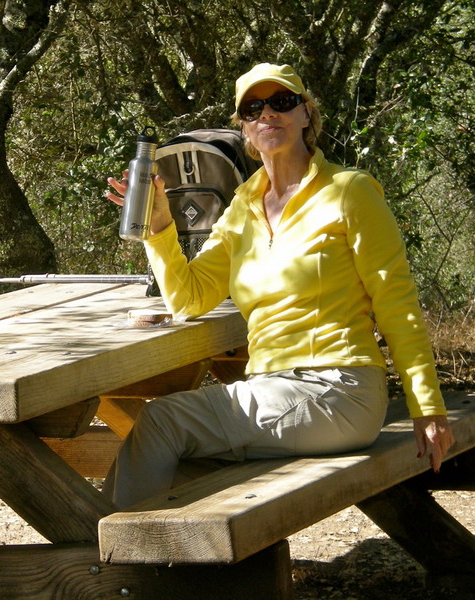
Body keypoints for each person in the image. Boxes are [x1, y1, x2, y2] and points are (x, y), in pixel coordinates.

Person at [103, 62, 455, 509]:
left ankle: (113, 564)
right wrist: (159, 229)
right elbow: (189, 299)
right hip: (273, 389)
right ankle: (129, 556)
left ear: (306, 114)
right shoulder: (243, 204)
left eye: (282, 102)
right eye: (253, 108)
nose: (268, 113)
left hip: (338, 387)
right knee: (179, 462)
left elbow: (396, 300)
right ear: (244, 128)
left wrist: (427, 406)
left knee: (160, 423)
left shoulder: (350, 191)